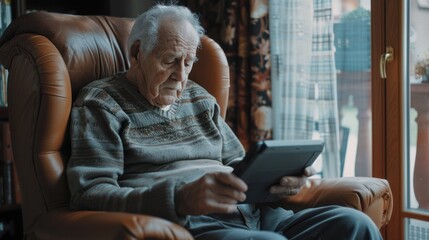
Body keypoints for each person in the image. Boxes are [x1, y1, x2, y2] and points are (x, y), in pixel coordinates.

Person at [67, 4, 382, 240]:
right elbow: (91, 194)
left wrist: (280, 184)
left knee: (355, 224)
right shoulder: (102, 102)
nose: (181, 76)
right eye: (169, 61)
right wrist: (179, 198)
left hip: (257, 216)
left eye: (188, 63)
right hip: (191, 225)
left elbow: (240, 167)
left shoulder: (200, 99)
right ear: (137, 53)